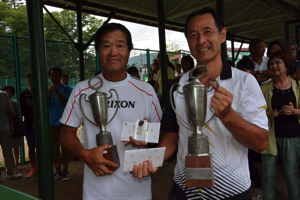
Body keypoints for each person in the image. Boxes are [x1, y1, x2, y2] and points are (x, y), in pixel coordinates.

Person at [132, 7, 269, 200]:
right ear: (188, 41)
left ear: (222, 35)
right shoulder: (178, 85)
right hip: (184, 190)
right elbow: (172, 135)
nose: (201, 40)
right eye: (193, 35)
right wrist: (154, 160)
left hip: (232, 192)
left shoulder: (245, 82)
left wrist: (229, 116)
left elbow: (261, 143)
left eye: (207, 32)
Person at [59, 23, 162, 200]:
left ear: (129, 51)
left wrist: (146, 143)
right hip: (96, 193)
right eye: (106, 46)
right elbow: (65, 134)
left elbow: (160, 135)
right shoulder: (83, 89)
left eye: (120, 45)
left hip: (138, 192)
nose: (113, 52)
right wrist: (85, 155)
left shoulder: (146, 91)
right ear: (98, 51)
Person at [260, 50, 300, 200]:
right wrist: (268, 114)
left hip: (292, 137)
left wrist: (294, 110)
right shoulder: (264, 88)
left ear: (287, 66)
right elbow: (255, 113)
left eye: (278, 62)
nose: (274, 66)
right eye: (271, 63)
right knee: (268, 177)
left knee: (291, 176)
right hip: (270, 138)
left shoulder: (297, 86)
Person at [48, 67, 73, 181]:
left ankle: (65, 171)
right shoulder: (47, 89)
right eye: (52, 75)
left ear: (60, 76)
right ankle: (58, 171)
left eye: (57, 75)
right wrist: (49, 94)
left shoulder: (67, 89)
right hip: (51, 124)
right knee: (54, 148)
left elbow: (67, 104)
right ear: (49, 77)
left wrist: (57, 92)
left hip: (64, 123)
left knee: (65, 147)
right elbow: (45, 105)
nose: (54, 77)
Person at [0, 91, 22, 182]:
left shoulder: (3, 94)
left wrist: (11, 126)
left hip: (4, 127)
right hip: (4, 127)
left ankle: (11, 172)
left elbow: (9, 112)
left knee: (8, 150)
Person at [20, 73, 37, 178]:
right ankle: (34, 168)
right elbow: (23, 111)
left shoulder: (42, 92)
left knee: (43, 146)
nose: (30, 81)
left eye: (32, 79)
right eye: (29, 80)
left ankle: (43, 167)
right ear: (27, 81)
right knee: (31, 146)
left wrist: (37, 120)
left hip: (41, 124)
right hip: (29, 124)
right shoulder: (23, 94)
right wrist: (32, 120)